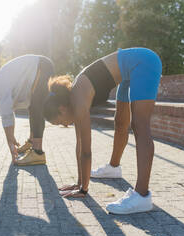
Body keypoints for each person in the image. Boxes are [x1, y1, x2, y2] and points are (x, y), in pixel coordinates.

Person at [43, 48, 162, 214]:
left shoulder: (78, 100)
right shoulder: (73, 98)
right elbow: (79, 144)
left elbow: (86, 151)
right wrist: (79, 183)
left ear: (62, 109)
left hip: (143, 62)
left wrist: (83, 190)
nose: (64, 125)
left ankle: (142, 195)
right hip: (128, 73)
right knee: (121, 123)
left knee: (139, 124)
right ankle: (113, 168)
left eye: (60, 122)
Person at [0, 55, 54, 166]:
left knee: (37, 107)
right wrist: (11, 137)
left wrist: (10, 143)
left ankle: (37, 152)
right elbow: (8, 113)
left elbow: (7, 116)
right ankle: (32, 142)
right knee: (33, 106)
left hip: (41, 66)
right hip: (40, 65)